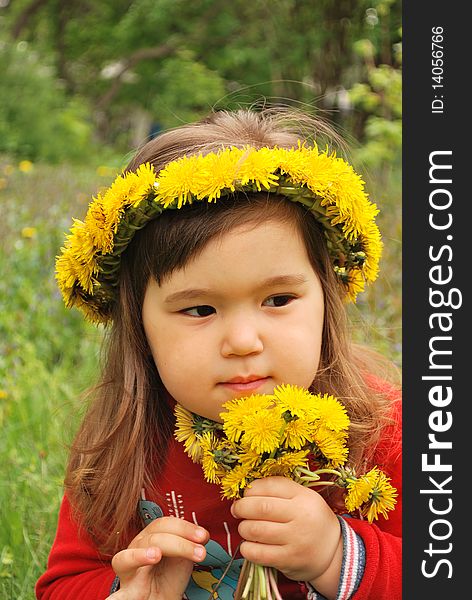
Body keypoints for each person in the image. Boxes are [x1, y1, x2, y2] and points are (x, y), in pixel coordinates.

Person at [36, 108, 401, 600]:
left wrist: (336, 555)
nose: (244, 341)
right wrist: (128, 587)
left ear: (327, 297)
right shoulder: (122, 442)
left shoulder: (382, 431)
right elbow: (64, 584)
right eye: (200, 309)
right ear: (140, 326)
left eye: (278, 300)